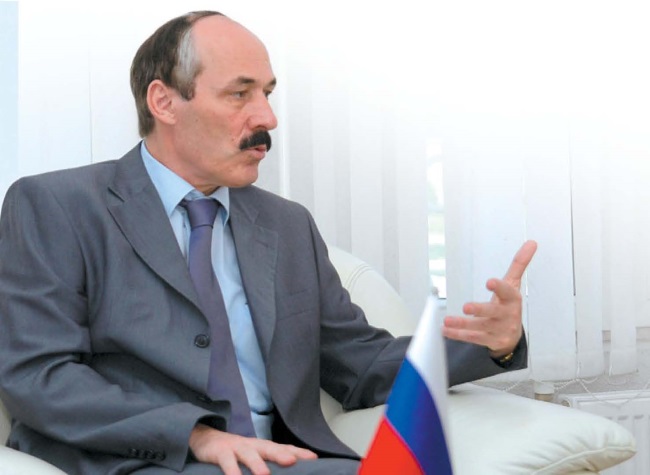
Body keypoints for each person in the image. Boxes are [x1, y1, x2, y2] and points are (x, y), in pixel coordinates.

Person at [0, 11, 537, 475]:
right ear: (164, 101)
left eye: (267, 94)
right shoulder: (57, 206)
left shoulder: (286, 225)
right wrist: (196, 436)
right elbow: (38, 376)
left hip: (281, 461)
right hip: (143, 462)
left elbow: (360, 364)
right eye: (240, 94)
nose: (267, 118)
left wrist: (490, 344)